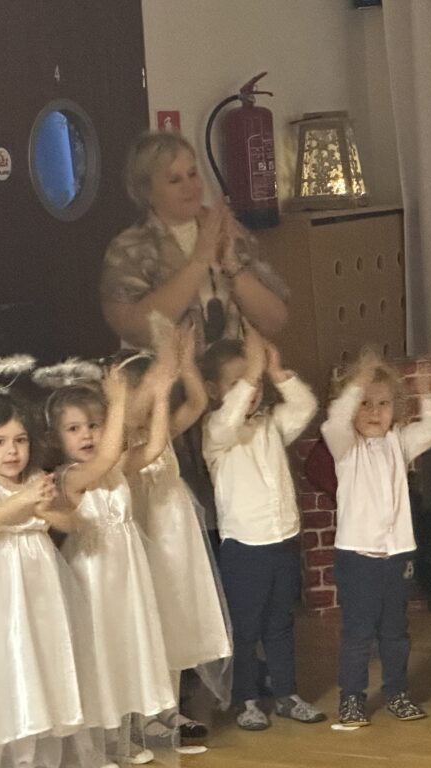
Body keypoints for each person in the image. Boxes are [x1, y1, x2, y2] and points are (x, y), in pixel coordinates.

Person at [99, 130, 288, 534]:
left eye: (192, 174)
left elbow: (276, 318)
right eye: (174, 179)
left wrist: (231, 265)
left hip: (237, 395)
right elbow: (137, 325)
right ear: (146, 192)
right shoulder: (130, 247)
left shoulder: (230, 230)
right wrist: (200, 259)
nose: (190, 186)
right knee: (188, 523)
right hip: (174, 403)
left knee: (250, 516)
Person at [0, 362, 111, 768]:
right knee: (10, 660)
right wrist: (22, 502)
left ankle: (49, 749)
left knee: (45, 654)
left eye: (20, 440)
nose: (11, 451)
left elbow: (70, 522)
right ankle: (15, 754)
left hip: (39, 583)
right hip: (0, 591)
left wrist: (47, 510)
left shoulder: (38, 478)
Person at [48, 364, 177, 763]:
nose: (87, 434)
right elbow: (107, 456)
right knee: (99, 654)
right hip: (94, 577)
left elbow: (154, 447)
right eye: (74, 428)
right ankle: (96, 746)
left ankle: (122, 739)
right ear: (56, 437)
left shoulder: (115, 470)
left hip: (126, 574)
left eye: (94, 425)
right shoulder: (70, 477)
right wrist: (117, 402)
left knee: (125, 648)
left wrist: (160, 396)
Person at [200, 328, 323, 731]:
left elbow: (305, 405)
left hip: (282, 542)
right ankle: (246, 699)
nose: (249, 390)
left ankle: (286, 693)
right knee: (246, 628)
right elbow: (229, 418)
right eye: (236, 382)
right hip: (245, 549)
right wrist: (252, 373)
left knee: (280, 624)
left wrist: (275, 372)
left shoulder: (271, 424)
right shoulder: (216, 432)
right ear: (213, 390)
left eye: (252, 382)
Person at [119, 322, 232, 744]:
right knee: (148, 621)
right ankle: (144, 712)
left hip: (176, 535)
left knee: (175, 617)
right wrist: (161, 375)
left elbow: (198, 401)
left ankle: (168, 707)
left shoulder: (163, 434)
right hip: (146, 537)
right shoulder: (119, 443)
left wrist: (184, 363)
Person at [321, 349, 431, 727]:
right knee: (359, 633)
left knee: (395, 632)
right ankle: (351, 699)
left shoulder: (398, 443)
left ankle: (397, 693)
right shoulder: (346, 447)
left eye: (383, 403)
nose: (374, 412)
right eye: (365, 403)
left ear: (395, 409)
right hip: (357, 558)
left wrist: (426, 392)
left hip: (396, 556)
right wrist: (358, 382)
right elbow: (334, 422)